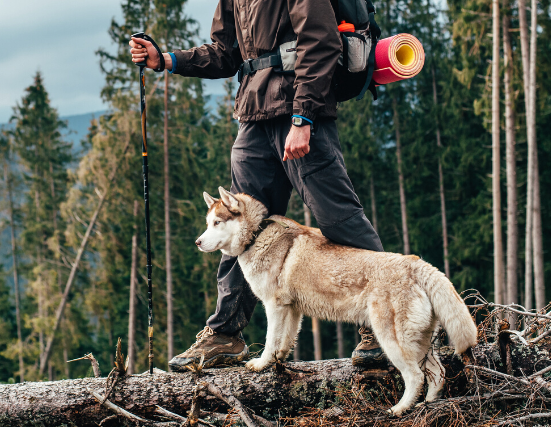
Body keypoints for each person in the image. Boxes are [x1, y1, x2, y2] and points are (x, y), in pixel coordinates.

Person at [130, 0, 385, 371]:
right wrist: (166, 59)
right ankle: (225, 335)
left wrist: (304, 117)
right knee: (240, 231)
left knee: (338, 220)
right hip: (253, 117)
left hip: (300, 113)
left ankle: (380, 319)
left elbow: (321, 42)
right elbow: (224, 53)